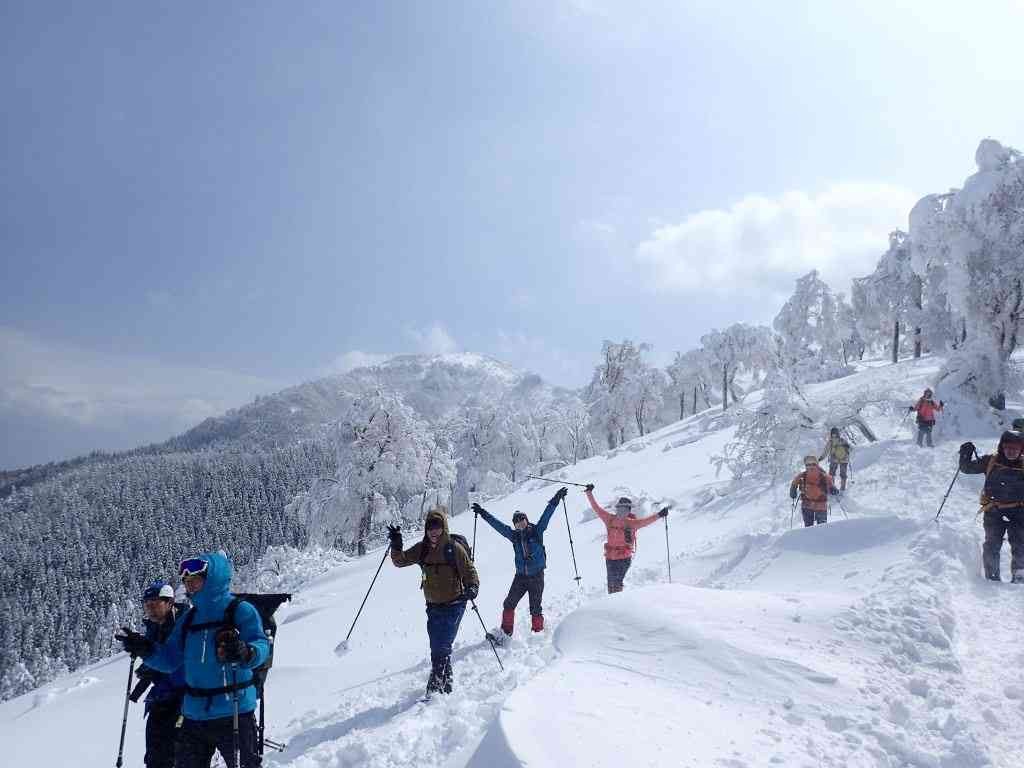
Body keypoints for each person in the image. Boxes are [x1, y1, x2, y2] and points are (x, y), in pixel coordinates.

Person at [116, 552, 270, 768]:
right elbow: (169, 660)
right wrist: (145, 648)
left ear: (212, 578)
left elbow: (262, 645)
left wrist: (247, 652)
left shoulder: (239, 610)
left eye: (195, 580)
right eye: (187, 582)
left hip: (233, 710)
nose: (190, 586)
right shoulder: (189, 619)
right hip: (194, 715)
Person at [388, 507, 480, 695]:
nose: (433, 532)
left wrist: (472, 587)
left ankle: (434, 688)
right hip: (433, 606)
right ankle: (447, 684)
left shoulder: (454, 548)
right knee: (437, 645)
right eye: (430, 528)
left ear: (443, 528)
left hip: (455, 603)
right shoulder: (422, 549)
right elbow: (400, 561)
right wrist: (397, 544)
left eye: (437, 528)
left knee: (442, 646)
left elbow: (469, 571)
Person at [472, 487, 565, 639]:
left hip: (536, 576)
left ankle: (538, 635)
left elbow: (547, 515)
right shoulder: (513, 536)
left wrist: (556, 499)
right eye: (516, 522)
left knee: (535, 608)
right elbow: (498, 525)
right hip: (521, 577)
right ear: (514, 525)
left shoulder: (537, 531)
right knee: (509, 604)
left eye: (522, 520)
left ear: (526, 520)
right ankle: (506, 633)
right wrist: (483, 513)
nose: (520, 524)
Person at [959, 429, 1024, 583]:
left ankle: (1020, 576)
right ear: (1001, 447)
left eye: (1016, 448)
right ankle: (992, 577)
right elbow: (966, 468)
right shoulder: (991, 461)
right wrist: (965, 453)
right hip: (994, 510)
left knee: (1020, 544)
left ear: (1022, 449)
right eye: (1008, 447)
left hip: (1020, 511)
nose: (1011, 451)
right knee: (992, 544)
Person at [134, 580, 187, 768]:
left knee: (175, 753)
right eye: (147, 606)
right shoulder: (153, 628)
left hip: (184, 698)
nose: (151, 610)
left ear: (170, 602)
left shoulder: (184, 625)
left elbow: (176, 662)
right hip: (161, 697)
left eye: (155, 605)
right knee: (154, 754)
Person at [584, 484, 666, 593]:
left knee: (616, 583)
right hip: (611, 558)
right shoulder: (610, 519)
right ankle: (614, 604)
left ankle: (618, 604)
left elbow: (646, 521)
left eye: (624, 509)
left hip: (623, 558)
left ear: (628, 510)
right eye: (620, 508)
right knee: (611, 584)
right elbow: (596, 508)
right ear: (618, 508)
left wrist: (660, 515)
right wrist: (589, 493)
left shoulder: (630, 523)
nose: (622, 511)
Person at [790, 455, 839, 527]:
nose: (810, 466)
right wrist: (833, 490)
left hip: (809, 505)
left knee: (809, 528)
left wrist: (793, 491)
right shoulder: (824, 476)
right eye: (808, 464)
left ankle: (811, 538)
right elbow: (832, 486)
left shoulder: (803, 475)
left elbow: (794, 483)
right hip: (818, 505)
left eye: (812, 464)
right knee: (821, 528)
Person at [819, 427, 852, 493]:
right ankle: (842, 488)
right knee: (843, 474)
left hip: (834, 459)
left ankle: (832, 487)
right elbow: (849, 449)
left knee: (831, 474)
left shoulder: (830, 441)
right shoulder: (843, 440)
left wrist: (821, 458)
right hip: (844, 460)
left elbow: (826, 451)